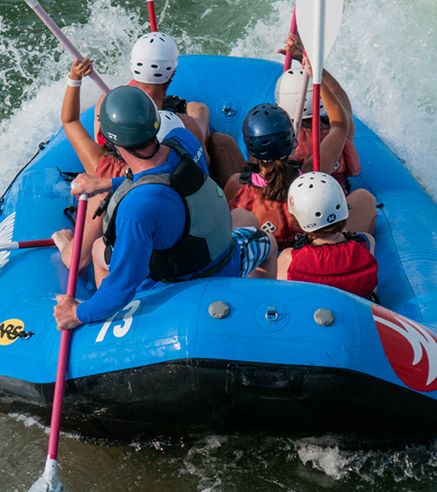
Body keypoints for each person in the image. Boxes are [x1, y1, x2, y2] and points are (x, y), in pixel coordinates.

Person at [53, 85, 277, 329]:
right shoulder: (185, 141)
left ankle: (114, 323)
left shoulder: (135, 210)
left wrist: (76, 313)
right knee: (267, 241)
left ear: (110, 141)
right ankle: (262, 314)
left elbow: (122, 286)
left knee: (99, 250)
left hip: (175, 285)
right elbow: (171, 178)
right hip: (225, 262)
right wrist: (109, 184)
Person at [57, 32, 210, 269]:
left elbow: (70, 121)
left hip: (129, 220)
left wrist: (74, 78)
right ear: (172, 72)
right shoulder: (184, 127)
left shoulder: (103, 164)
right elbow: (204, 164)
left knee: (75, 256)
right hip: (185, 231)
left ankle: (69, 241)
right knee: (200, 112)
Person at [225, 61, 377, 250]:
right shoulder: (311, 173)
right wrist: (317, 76)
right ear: (292, 142)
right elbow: (341, 124)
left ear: (250, 149)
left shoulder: (236, 184)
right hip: (307, 253)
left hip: (267, 259)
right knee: (364, 198)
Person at [275, 33, 361, 191]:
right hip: (333, 200)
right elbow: (339, 95)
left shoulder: (277, 140)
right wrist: (312, 68)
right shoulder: (341, 132)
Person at [276, 172, 378, 299]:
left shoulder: (289, 258)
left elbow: (278, 298)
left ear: (297, 218)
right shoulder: (366, 242)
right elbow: (371, 291)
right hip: (355, 316)